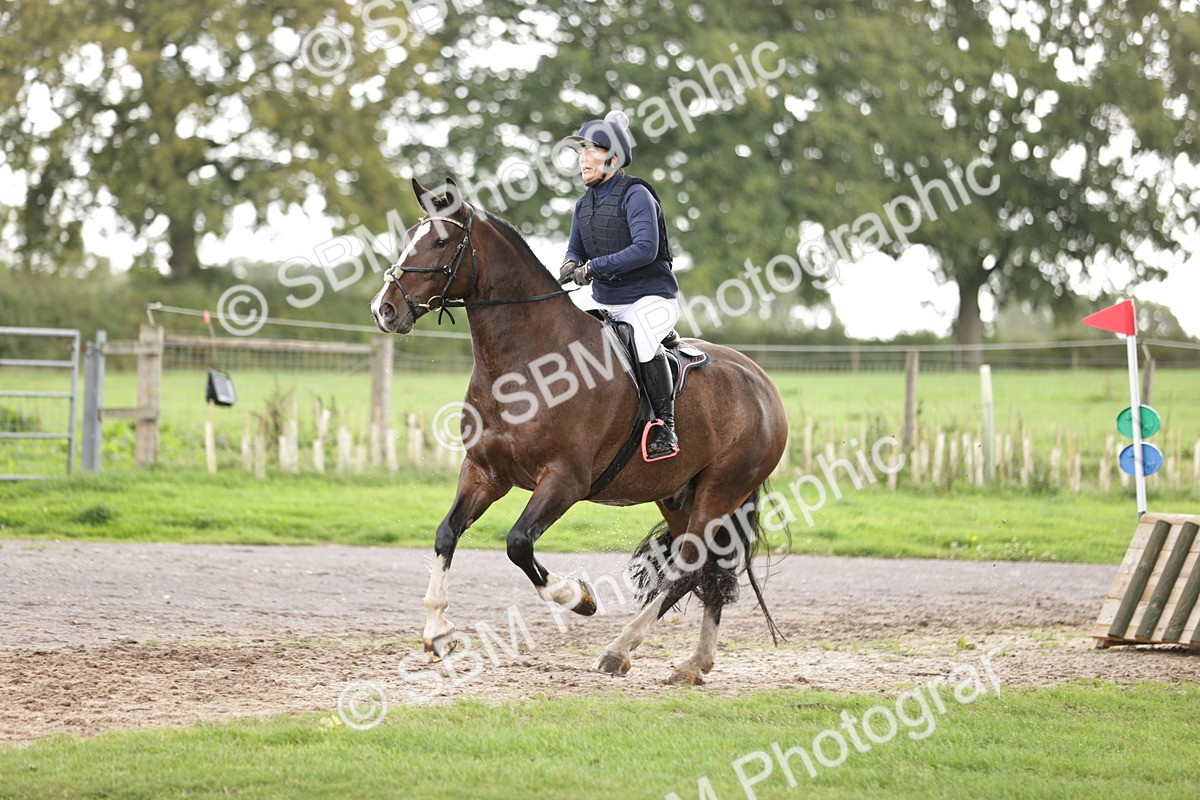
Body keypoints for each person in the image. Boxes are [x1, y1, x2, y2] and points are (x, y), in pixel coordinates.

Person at [559, 110, 682, 461]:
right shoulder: (583, 204)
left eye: (590, 150)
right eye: (579, 151)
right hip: (609, 303)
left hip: (652, 299)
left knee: (643, 339)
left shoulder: (636, 194)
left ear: (612, 159)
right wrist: (570, 263)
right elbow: (575, 247)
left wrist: (592, 268)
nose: (581, 158)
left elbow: (645, 249)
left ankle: (665, 427)